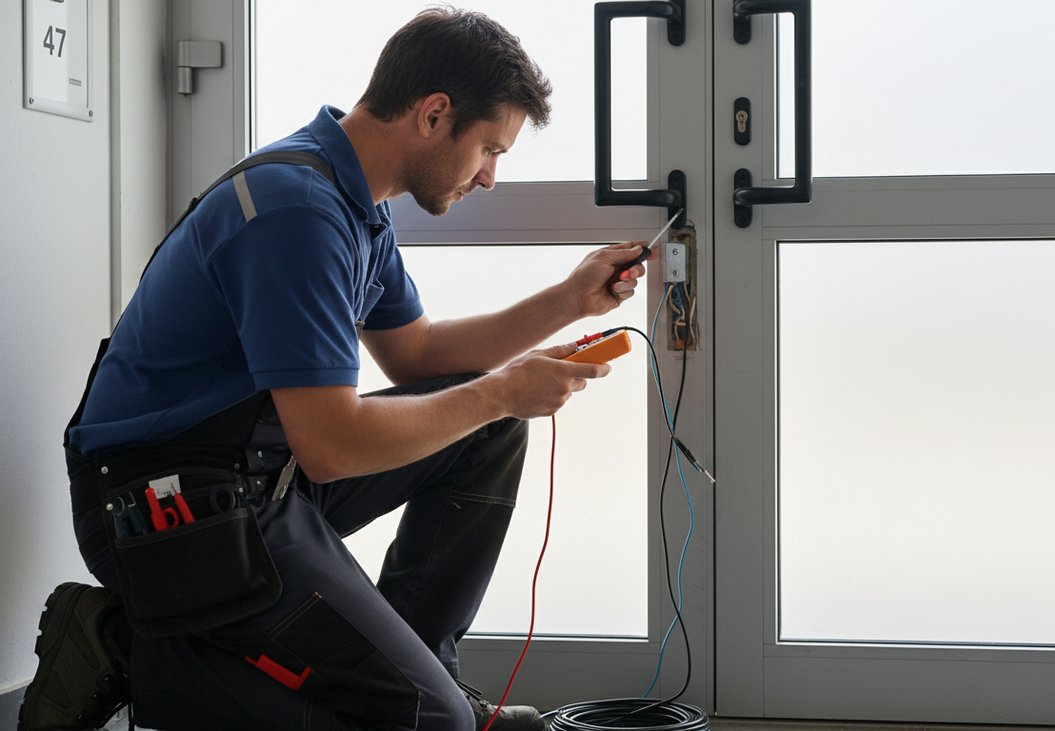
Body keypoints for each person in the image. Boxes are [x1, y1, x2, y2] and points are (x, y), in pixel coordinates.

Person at [18, 6, 648, 730]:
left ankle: (421, 674)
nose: (490, 178)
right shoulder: (298, 212)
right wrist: (502, 390)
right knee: (432, 720)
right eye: (489, 150)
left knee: (487, 430)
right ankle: (122, 647)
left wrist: (570, 301)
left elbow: (417, 354)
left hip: (258, 470)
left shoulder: (353, 202)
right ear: (434, 114)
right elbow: (333, 445)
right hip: (161, 506)